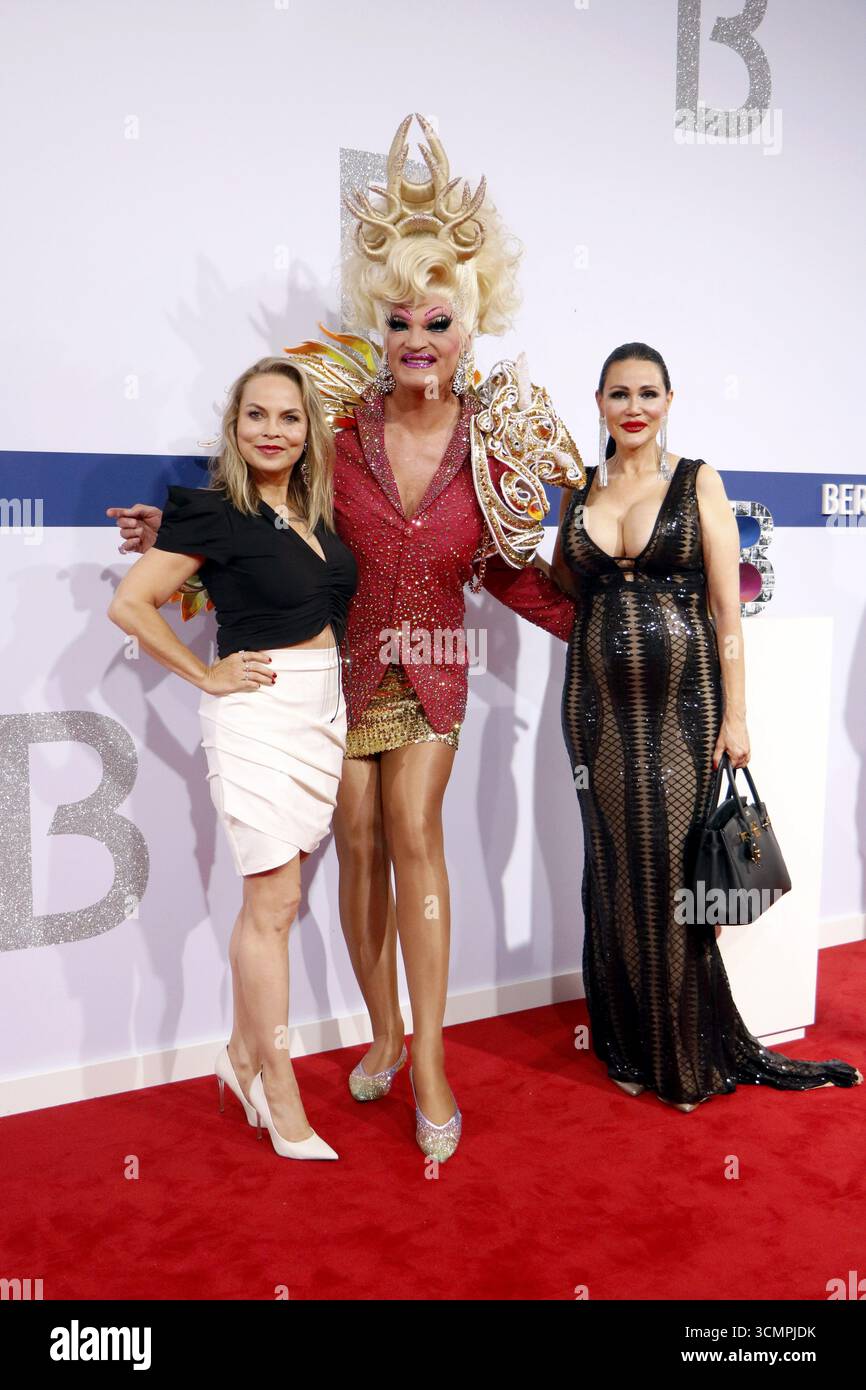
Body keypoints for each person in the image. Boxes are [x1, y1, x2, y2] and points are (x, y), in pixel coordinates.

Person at [109, 112, 585, 1162]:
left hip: (439, 671)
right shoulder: (336, 432)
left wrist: (597, 615)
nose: (419, 342)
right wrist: (173, 534)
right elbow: (261, 511)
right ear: (383, 327)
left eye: (440, 323)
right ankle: (376, 1030)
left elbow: (505, 567)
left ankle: (427, 1063)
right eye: (403, 322)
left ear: (472, 328)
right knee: (358, 848)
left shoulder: (491, 444)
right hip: (339, 667)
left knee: (414, 832)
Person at [551, 341, 862, 1110]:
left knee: (674, 878)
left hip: (684, 707)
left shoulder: (698, 482)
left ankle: (686, 1056)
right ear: (598, 404)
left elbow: (728, 609)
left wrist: (737, 712)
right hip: (593, 709)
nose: (633, 406)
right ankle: (624, 1043)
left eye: (647, 393)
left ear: (669, 400)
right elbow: (566, 589)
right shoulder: (579, 489)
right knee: (615, 871)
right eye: (618, 393)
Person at [107, 357, 358, 1159]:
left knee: (274, 907)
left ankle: (241, 1057)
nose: (273, 431)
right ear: (234, 425)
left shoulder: (320, 511)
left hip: (323, 712)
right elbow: (130, 602)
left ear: (308, 429)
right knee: (274, 904)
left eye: (289, 417)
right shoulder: (213, 512)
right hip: (253, 715)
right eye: (257, 416)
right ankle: (278, 1088)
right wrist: (203, 673)